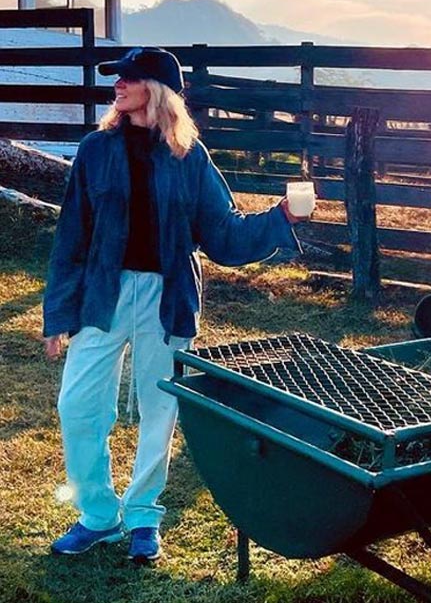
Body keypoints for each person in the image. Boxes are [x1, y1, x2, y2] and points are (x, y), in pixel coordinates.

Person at [43, 46, 307, 562]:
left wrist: (279, 220)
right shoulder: (95, 150)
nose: (117, 86)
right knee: (77, 406)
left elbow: (224, 234)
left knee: (159, 409)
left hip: (168, 296)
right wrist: (59, 313)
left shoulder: (189, 157)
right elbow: (71, 235)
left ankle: (143, 515)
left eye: (128, 78)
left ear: (156, 90)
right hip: (103, 291)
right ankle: (98, 515)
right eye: (116, 79)